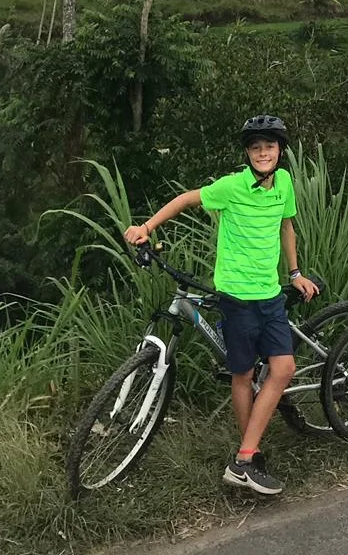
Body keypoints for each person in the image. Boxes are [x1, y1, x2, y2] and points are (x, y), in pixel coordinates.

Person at [124, 114, 319, 496]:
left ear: (280, 151)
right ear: (247, 153)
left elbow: (287, 228)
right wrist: (146, 228)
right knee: (242, 375)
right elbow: (186, 199)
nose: (263, 153)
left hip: (270, 295)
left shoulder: (283, 182)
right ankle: (249, 455)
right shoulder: (231, 187)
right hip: (237, 298)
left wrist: (295, 272)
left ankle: (243, 459)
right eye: (256, 147)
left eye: (270, 146)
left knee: (283, 369)